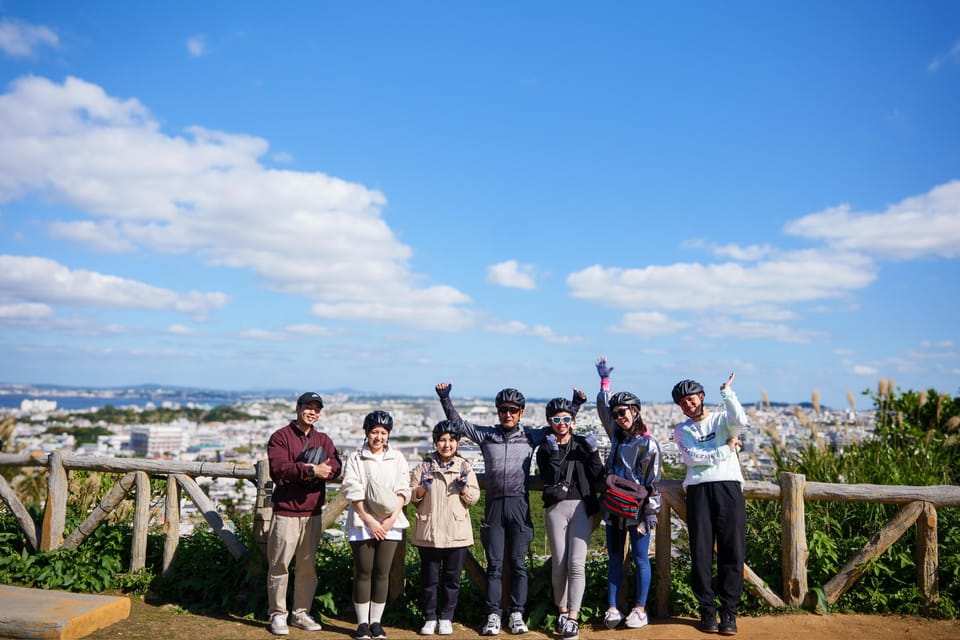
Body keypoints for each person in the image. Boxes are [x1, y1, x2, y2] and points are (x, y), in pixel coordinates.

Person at [435, 382, 566, 636]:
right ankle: (493, 614)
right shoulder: (488, 435)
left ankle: (517, 612)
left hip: (519, 503)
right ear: (498, 411)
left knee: (518, 564)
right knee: (494, 564)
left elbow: (560, 423)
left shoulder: (530, 436)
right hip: (494, 505)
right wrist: (445, 398)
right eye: (504, 409)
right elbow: (461, 425)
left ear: (521, 413)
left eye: (513, 410)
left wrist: (576, 404)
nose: (508, 414)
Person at [672, 373, 748, 636]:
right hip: (698, 490)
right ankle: (707, 610)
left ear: (702, 397)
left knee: (733, 550)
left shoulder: (721, 420)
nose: (687, 405)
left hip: (728, 486)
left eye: (690, 399)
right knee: (701, 552)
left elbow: (741, 421)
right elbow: (693, 459)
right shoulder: (682, 430)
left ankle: (729, 612)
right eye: (682, 402)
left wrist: (728, 393)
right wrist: (726, 449)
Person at [266, 391, 342, 636]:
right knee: (280, 565)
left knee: (307, 567)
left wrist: (324, 471)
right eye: (308, 407)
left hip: (313, 512)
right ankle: (278, 614)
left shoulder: (324, 439)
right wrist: (312, 470)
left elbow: (336, 465)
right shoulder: (281, 437)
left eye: (316, 409)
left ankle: (301, 613)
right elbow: (279, 469)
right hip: (286, 511)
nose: (312, 412)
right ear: (298, 408)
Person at [595, 357, 662, 631]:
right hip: (614, 506)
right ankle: (613, 607)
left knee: (639, 558)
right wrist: (604, 383)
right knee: (614, 557)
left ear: (635, 411)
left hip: (637, 509)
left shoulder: (648, 443)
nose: (619, 417)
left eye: (624, 412)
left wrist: (650, 516)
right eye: (617, 413)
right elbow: (603, 410)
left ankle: (639, 608)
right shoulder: (617, 436)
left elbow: (654, 483)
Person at [536, 395, 604, 640]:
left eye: (566, 418)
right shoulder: (545, 448)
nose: (562, 423)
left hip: (582, 507)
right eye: (557, 419)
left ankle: (573, 617)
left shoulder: (581, 444)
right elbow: (548, 477)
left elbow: (598, 475)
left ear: (573, 419)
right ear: (549, 421)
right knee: (559, 562)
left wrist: (594, 452)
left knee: (576, 563)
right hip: (556, 507)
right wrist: (553, 453)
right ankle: (562, 610)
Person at [341, 410, 412, 640]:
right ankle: (362, 623)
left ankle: (376, 622)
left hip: (391, 522)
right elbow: (351, 488)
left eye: (383, 433)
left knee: (383, 573)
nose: (378, 437)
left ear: (388, 435)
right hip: (363, 522)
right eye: (374, 432)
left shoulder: (398, 458)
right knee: (363, 571)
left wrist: (390, 520)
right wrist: (370, 520)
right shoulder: (356, 458)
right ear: (366, 433)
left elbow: (404, 488)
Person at [410, 420, 481, 636]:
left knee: (452, 579)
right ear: (435, 442)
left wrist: (463, 488)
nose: (447, 444)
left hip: (455, 531)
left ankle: (447, 617)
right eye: (442, 440)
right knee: (429, 579)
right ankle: (430, 617)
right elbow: (412, 496)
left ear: (457, 443)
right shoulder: (424, 466)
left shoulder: (465, 467)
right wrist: (423, 486)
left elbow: (474, 497)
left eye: (451, 440)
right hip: (429, 531)